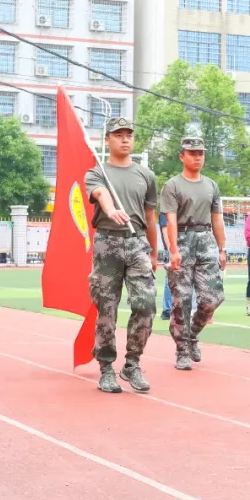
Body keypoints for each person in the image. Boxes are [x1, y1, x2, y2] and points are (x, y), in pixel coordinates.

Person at [84, 117, 159, 394]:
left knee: (146, 304)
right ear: (108, 140)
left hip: (138, 241)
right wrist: (111, 208)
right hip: (108, 241)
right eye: (118, 135)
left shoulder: (146, 175)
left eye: (129, 135)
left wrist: (154, 251)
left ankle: (132, 363)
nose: (125, 139)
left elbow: (151, 216)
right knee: (107, 307)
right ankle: (105, 368)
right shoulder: (97, 171)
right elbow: (100, 193)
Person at [161, 137, 226, 371]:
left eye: (201, 153)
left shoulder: (211, 185)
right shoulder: (172, 186)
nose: (197, 157)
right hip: (182, 240)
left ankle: (191, 335)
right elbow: (170, 220)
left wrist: (222, 248)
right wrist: (174, 250)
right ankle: (182, 350)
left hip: (206, 239)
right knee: (182, 300)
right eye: (192, 153)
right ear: (182, 156)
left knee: (212, 299)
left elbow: (217, 218)